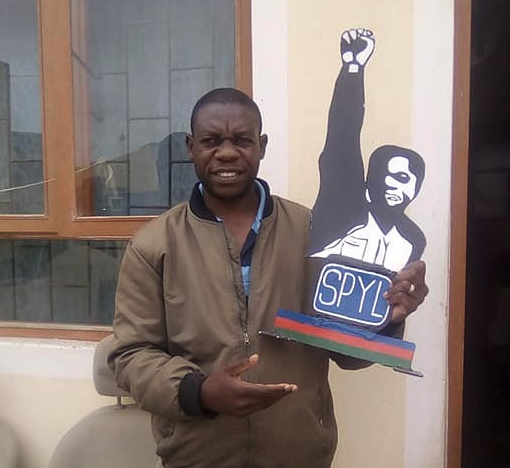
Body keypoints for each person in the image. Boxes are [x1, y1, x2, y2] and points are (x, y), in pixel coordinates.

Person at [108, 86, 429, 468]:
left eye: (241, 140)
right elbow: (130, 356)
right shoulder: (154, 245)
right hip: (197, 455)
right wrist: (199, 391)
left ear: (261, 146)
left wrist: (387, 317)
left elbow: (348, 354)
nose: (227, 152)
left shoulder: (318, 233)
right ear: (191, 147)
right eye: (212, 140)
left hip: (298, 454)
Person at [309, 29, 426, 272]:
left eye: (405, 179)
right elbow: (342, 139)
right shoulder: (343, 211)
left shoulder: (412, 240)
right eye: (387, 176)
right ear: (368, 182)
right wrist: (353, 68)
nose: (394, 185)